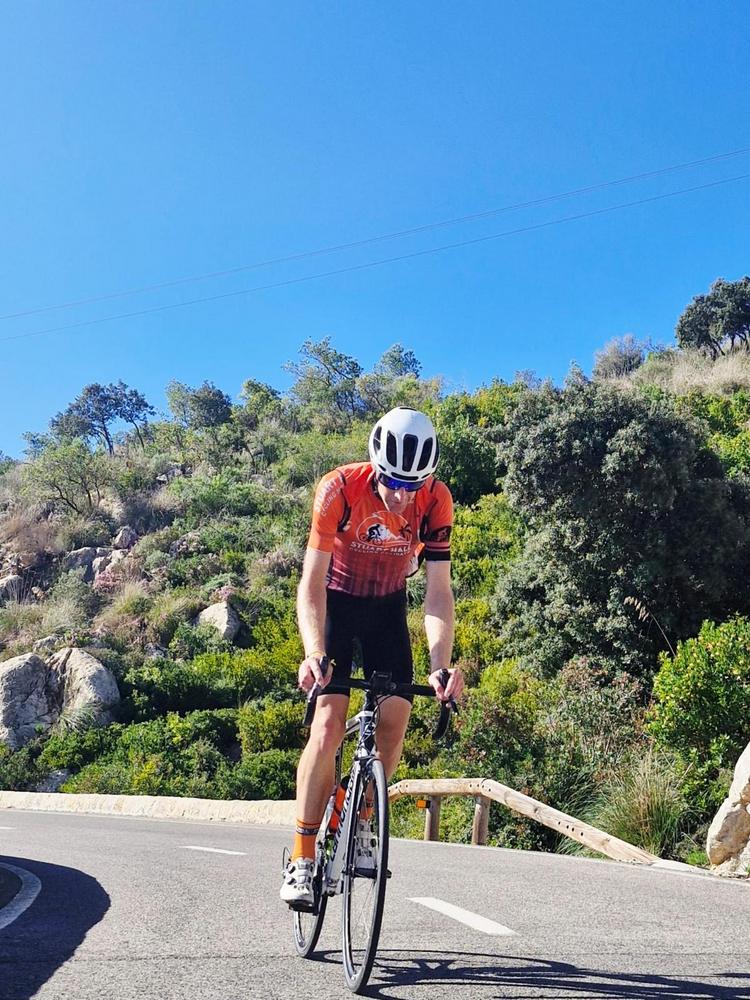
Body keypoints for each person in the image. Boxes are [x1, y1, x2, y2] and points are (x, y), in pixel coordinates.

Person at [280, 406, 464, 905]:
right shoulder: (339, 489)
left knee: (396, 717)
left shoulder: (436, 500)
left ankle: (362, 817)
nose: (401, 496)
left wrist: (440, 665)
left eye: (413, 485)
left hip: (386, 608)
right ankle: (302, 857)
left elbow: (438, 593)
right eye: (393, 483)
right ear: (376, 467)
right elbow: (310, 584)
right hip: (336, 603)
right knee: (327, 724)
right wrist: (314, 652)